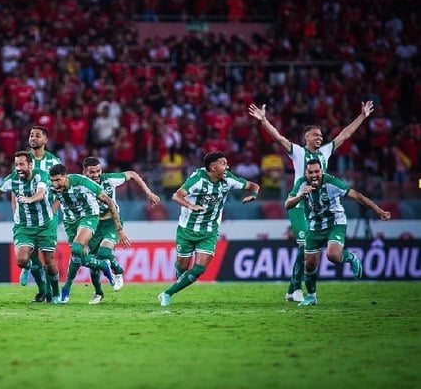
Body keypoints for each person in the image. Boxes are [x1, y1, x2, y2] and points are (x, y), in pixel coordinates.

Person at [248, 101, 373, 302]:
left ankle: (293, 290)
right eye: (315, 135)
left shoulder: (325, 152)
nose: (320, 137)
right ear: (306, 138)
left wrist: (363, 116)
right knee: (305, 245)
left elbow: (345, 134)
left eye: (321, 135)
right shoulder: (297, 152)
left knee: (306, 248)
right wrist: (263, 120)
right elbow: (278, 137)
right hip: (299, 203)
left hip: (316, 206)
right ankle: (296, 290)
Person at [157, 152, 260, 307]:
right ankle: (180, 278)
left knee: (198, 269)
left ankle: (167, 294)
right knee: (182, 267)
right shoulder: (197, 180)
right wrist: (190, 205)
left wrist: (253, 194)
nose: (227, 167)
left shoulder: (228, 179)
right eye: (223, 164)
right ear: (213, 167)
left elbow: (253, 186)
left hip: (209, 231)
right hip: (187, 230)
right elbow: (176, 196)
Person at [285, 159, 391, 306]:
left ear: (322, 171)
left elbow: (358, 196)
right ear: (306, 173)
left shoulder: (332, 183)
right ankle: (311, 296)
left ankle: (351, 257)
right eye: (311, 172)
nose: (314, 175)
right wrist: (301, 195)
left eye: (317, 171)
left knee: (333, 255)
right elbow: (287, 204)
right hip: (314, 227)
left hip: (335, 222)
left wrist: (379, 211)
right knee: (309, 264)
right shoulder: (302, 183)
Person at [0, 151, 60, 303]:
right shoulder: (12, 179)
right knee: (21, 260)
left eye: (22, 164)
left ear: (30, 164)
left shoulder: (40, 175)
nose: (18, 168)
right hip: (24, 226)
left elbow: (41, 193)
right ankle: (28, 268)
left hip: (45, 225)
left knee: (50, 263)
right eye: (16, 165)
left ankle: (55, 294)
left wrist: (30, 199)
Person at [81, 156, 161, 304]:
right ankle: (98, 293)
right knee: (93, 265)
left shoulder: (109, 179)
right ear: (84, 172)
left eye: (98, 171)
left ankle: (118, 271)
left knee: (104, 252)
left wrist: (148, 193)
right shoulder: (80, 185)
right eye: (92, 172)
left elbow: (132, 174)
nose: (96, 175)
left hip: (112, 222)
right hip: (93, 225)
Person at [48, 163, 131, 304]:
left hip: (89, 216)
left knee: (76, 248)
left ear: (66, 177)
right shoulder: (54, 188)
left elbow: (109, 201)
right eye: (53, 181)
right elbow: (56, 203)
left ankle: (66, 289)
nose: (55, 184)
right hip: (70, 222)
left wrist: (119, 229)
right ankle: (103, 266)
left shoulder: (83, 182)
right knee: (78, 256)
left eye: (58, 180)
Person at [25, 125, 63, 302]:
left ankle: (50, 292)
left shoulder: (54, 162)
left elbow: (62, 190)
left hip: (48, 215)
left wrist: (51, 213)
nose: (33, 138)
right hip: (27, 215)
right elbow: (14, 189)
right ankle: (42, 290)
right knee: (30, 254)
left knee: (48, 256)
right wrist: (16, 213)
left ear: (46, 140)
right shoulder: (23, 161)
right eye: (31, 135)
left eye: (38, 136)